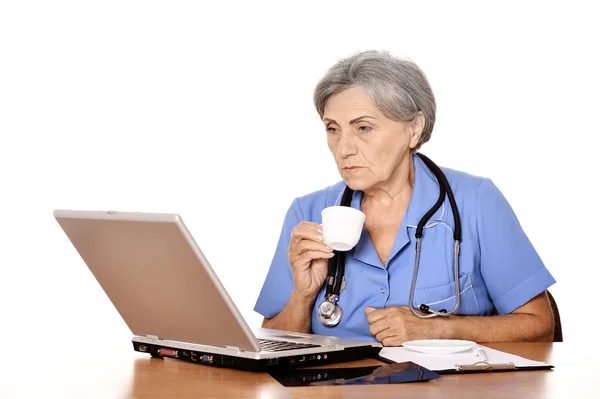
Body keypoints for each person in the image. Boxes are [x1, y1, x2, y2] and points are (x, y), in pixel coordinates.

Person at [254, 50, 556, 345]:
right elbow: (269, 341)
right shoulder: (308, 213)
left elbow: (538, 324)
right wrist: (303, 296)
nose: (344, 148)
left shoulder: (475, 202)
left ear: (414, 129)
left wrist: (437, 329)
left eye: (363, 127)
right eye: (333, 129)